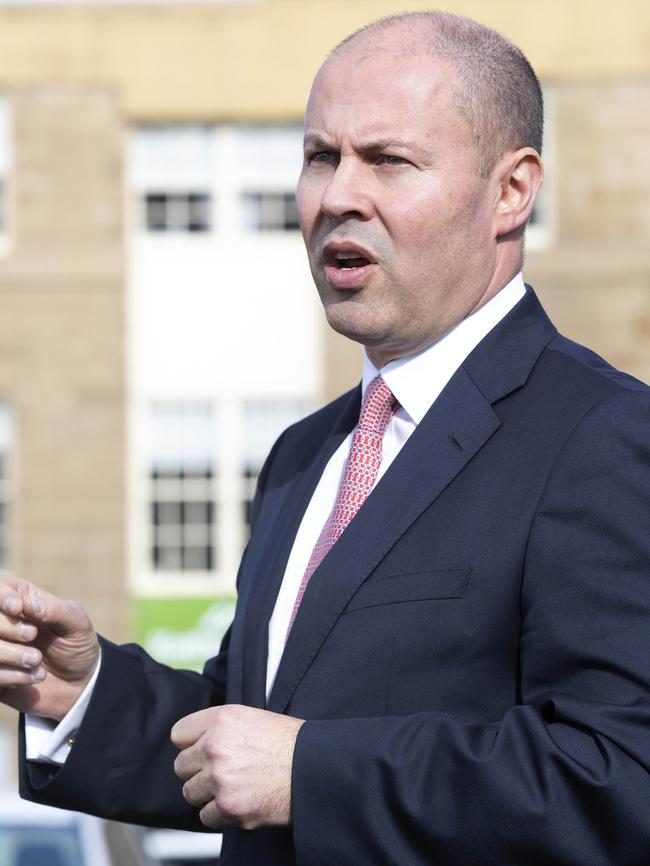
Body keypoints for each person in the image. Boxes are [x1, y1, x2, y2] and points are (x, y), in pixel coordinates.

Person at [1, 11, 650, 866]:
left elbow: (620, 779)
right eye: (319, 156)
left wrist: (314, 771)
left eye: (388, 160)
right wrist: (85, 694)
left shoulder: (601, 436)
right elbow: (246, 737)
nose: (338, 195)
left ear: (513, 191)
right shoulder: (305, 456)